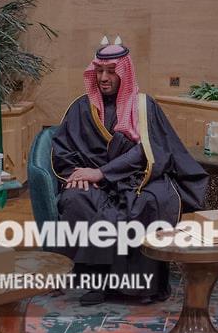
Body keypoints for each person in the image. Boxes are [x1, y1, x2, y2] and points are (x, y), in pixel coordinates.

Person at [51, 41, 209, 305]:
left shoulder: (144, 106)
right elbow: (64, 150)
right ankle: (96, 282)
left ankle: (140, 287)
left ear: (125, 72)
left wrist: (102, 172)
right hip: (96, 183)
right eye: (99, 71)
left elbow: (150, 150)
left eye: (111, 71)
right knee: (77, 199)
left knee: (150, 201)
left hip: (138, 178)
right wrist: (79, 176)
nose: (103, 78)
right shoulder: (80, 107)